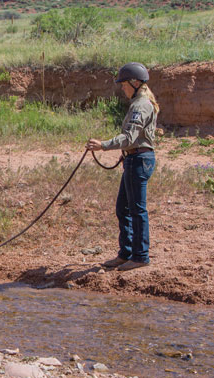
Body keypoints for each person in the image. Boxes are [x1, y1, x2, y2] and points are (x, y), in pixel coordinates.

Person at [86, 62, 159, 271]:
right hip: (134, 159)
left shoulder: (141, 105)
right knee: (124, 208)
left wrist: (103, 145)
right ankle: (126, 253)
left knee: (136, 210)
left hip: (138, 160)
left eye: (124, 84)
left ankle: (140, 256)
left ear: (135, 83)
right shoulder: (139, 103)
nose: (122, 88)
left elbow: (129, 137)